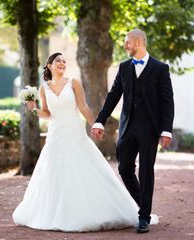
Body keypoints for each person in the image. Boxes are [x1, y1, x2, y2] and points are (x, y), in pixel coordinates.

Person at [12, 52, 142, 232]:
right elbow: (47, 114)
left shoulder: (73, 83)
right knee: (54, 171)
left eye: (64, 61)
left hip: (74, 131)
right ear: (49, 65)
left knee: (83, 167)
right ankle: (57, 213)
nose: (62, 63)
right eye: (58, 61)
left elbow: (82, 106)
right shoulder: (43, 89)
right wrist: (34, 109)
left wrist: (95, 124)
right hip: (56, 134)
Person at [92, 29, 174, 233]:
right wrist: (99, 121)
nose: (125, 46)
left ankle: (144, 216)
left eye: (127, 42)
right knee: (124, 168)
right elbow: (113, 96)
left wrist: (166, 130)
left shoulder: (160, 68)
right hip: (127, 126)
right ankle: (143, 204)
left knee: (146, 170)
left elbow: (167, 102)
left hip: (150, 129)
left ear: (139, 42)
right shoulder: (124, 67)